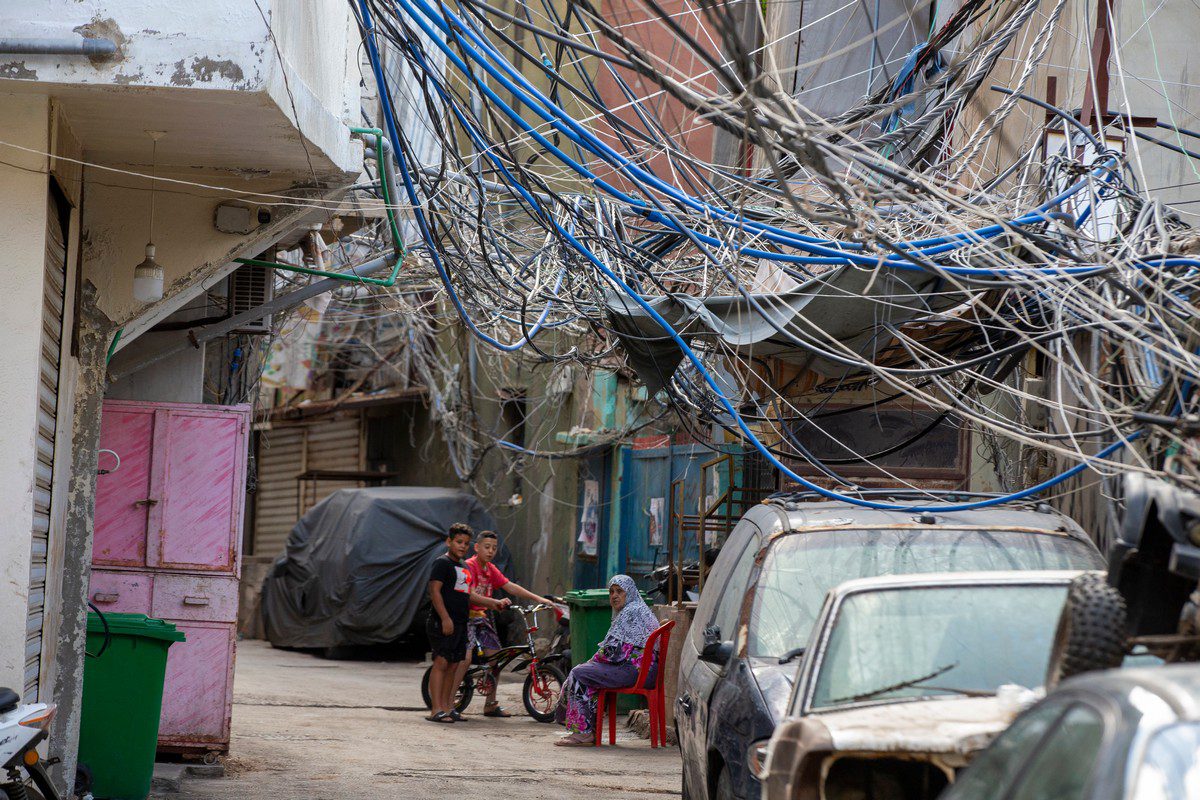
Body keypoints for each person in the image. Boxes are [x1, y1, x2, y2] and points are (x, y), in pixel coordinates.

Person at [452, 530, 555, 718]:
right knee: (465, 658)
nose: (490, 551)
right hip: (466, 618)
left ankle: (490, 704)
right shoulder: (469, 566)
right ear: (477, 547)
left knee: (496, 659)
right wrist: (495, 603)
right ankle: (449, 704)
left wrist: (538, 598)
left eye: (493, 548)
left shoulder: (490, 568)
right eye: (486, 547)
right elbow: (471, 595)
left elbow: (510, 586)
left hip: (483, 616)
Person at [554, 574, 659, 746]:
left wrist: (591, 662)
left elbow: (613, 652)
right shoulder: (637, 609)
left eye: (619, 591)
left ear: (630, 592)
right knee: (585, 672)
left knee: (580, 673)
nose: (614, 596)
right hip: (643, 670)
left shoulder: (631, 612)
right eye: (611, 592)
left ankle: (582, 733)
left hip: (635, 671)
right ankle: (587, 729)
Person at [425, 523, 477, 723]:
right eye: (458, 542)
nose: (463, 546)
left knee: (455, 665)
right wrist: (445, 618)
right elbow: (435, 591)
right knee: (441, 662)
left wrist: (494, 603)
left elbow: (467, 595)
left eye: (466, 543)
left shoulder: (464, 567)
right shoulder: (442, 563)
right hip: (443, 621)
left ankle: (448, 707)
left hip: (461, 622)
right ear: (449, 541)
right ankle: (435, 709)